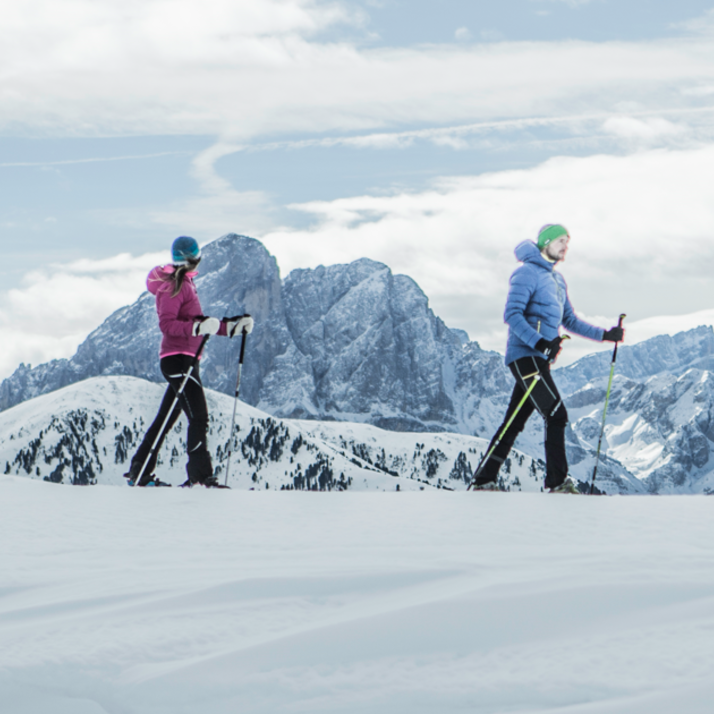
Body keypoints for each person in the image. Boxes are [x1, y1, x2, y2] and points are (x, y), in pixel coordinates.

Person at [472, 224, 624, 494]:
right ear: (545, 243)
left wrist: (606, 335)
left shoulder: (557, 280)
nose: (566, 246)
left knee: (514, 421)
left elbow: (569, 321)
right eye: (560, 241)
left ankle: (484, 480)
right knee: (556, 414)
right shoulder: (526, 273)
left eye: (568, 241)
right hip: (524, 356)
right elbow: (512, 315)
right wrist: (541, 343)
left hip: (539, 360)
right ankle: (556, 483)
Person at [124, 236, 253, 488]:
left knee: (166, 418)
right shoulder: (173, 286)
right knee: (199, 417)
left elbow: (199, 322)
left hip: (186, 360)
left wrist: (233, 327)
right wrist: (197, 327)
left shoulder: (184, 284)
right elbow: (167, 324)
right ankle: (200, 477)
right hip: (178, 360)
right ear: (194, 258)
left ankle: (140, 472)